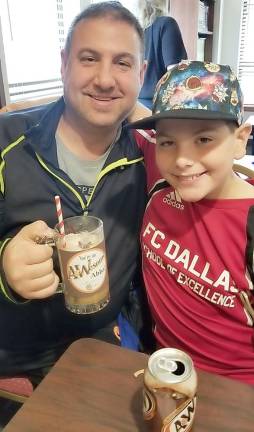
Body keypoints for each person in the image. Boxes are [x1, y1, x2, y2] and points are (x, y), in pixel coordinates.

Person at [0, 1, 153, 385]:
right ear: (64, 62)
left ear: (141, 73)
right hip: (16, 355)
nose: (104, 79)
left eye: (122, 63)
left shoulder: (153, 156)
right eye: (89, 59)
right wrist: (5, 265)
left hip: (104, 350)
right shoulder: (6, 143)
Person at [130, 60, 254, 385]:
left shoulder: (249, 224)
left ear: (241, 139)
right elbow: (128, 109)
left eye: (203, 140)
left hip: (235, 390)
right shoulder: (161, 185)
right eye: (168, 142)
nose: (183, 160)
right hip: (163, 370)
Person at [138, 0, 187, 109]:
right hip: (160, 108)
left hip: (137, 106)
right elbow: (175, 72)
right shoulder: (167, 24)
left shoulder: (136, 31)